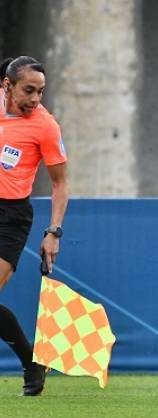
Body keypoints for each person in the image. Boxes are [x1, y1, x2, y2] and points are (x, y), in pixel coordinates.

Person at [0, 56, 68, 396]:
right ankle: (32, 362)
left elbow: (60, 183)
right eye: (29, 90)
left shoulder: (45, 126)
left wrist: (53, 231)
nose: (36, 99)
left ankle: (30, 363)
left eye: (41, 91)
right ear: (7, 85)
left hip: (10, 217)